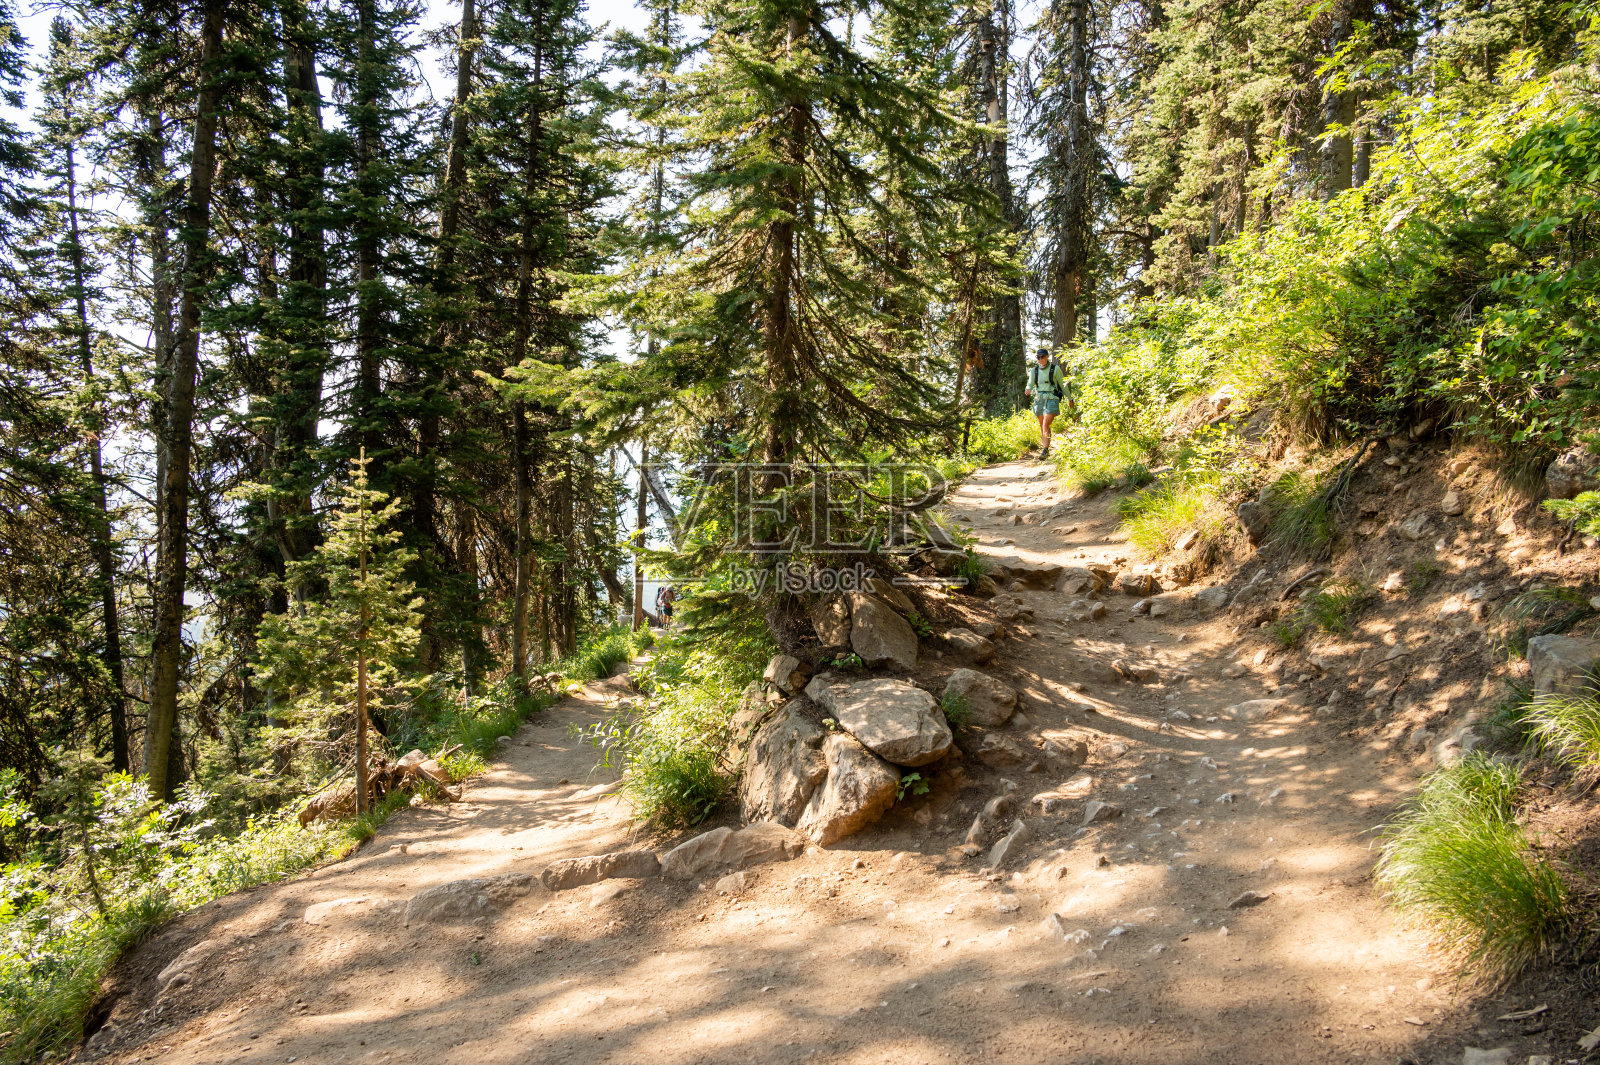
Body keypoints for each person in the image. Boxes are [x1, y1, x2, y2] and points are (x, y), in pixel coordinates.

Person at [1024, 346, 1069, 459]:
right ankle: (1046, 449)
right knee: (1042, 425)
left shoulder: (1055, 369)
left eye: (1042, 357)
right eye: (1038, 357)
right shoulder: (1034, 370)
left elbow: (1063, 385)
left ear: (1047, 357)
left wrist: (1070, 398)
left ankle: (1045, 449)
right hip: (1039, 399)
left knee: (1045, 424)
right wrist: (1028, 388)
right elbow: (1030, 382)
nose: (1040, 359)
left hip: (1052, 398)